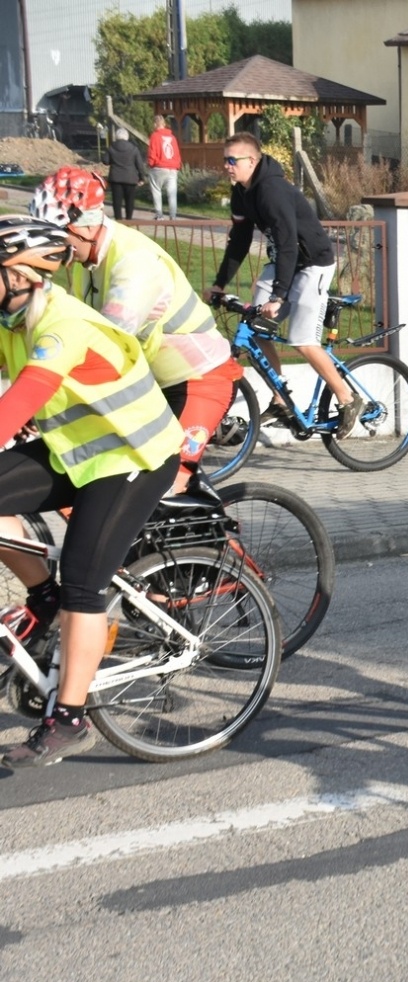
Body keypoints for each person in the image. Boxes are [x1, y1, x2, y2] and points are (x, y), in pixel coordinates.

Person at [0, 216, 183, 768]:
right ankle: (44, 596)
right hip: (76, 449)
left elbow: (18, 403)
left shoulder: (63, 324)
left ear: (22, 276)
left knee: (83, 581)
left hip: (132, 456)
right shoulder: (11, 319)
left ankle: (70, 718)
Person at [32, 166, 242, 492]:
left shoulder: (134, 263)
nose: (52, 246)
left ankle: (197, 513)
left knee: (162, 485)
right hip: (153, 386)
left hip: (198, 381)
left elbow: (105, 347)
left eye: (57, 236)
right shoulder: (88, 261)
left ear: (85, 226)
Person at [204, 133, 359, 438]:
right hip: (285, 262)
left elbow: (288, 243)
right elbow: (240, 241)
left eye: (232, 160)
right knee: (255, 327)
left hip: (313, 263)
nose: (226, 166)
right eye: (225, 160)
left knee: (302, 339)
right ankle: (281, 400)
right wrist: (220, 284)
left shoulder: (271, 190)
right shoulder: (241, 192)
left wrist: (278, 296)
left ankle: (348, 398)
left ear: (252, 160)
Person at [104, 128, 145, 222]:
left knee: (116, 201)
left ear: (116, 137)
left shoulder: (111, 147)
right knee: (130, 201)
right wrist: (141, 178)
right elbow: (139, 165)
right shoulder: (134, 149)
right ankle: (128, 219)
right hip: (130, 178)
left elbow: (105, 161)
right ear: (127, 137)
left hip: (116, 178)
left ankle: (118, 220)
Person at [146, 115, 182, 221]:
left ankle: (159, 215)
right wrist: (177, 165)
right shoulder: (173, 138)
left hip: (159, 167)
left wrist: (150, 164)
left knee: (156, 190)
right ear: (164, 124)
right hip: (172, 167)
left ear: (155, 124)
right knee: (172, 193)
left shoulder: (154, 136)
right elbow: (177, 153)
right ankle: (173, 216)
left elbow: (152, 153)